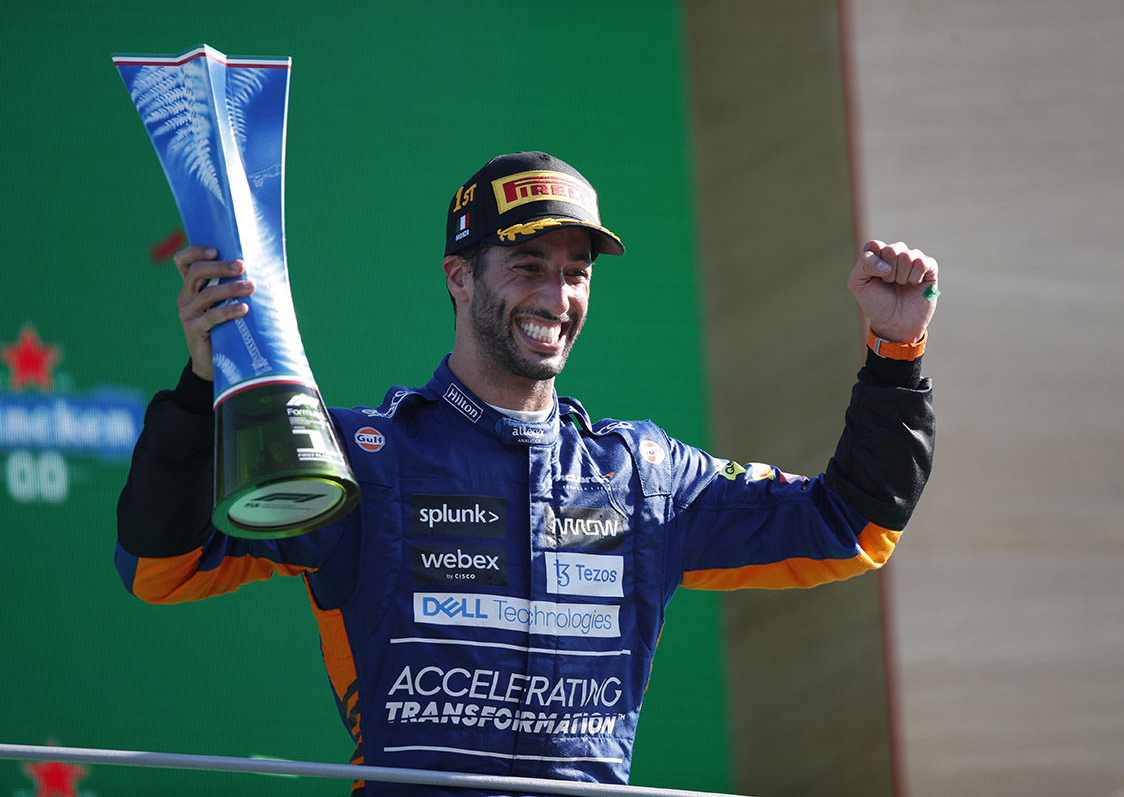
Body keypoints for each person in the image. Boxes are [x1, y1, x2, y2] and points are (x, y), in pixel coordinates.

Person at [116, 151, 937, 796]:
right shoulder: (362, 456)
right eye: (527, 264)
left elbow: (851, 526)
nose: (557, 294)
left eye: (576, 271)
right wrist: (199, 392)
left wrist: (896, 357)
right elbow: (164, 566)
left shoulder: (644, 474)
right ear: (458, 276)